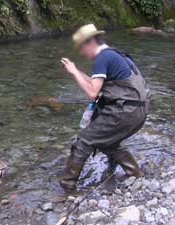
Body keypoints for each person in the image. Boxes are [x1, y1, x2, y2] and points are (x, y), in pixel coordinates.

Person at [60, 24, 149, 190]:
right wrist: (76, 72)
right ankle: (134, 172)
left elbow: (93, 93)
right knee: (107, 141)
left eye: (81, 48)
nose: (81, 53)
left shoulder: (102, 58)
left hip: (124, 112)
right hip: (137, 111)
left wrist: (74, 71)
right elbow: (97, 86)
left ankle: (67, 185)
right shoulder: (115, 55)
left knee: (84, 140)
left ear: (90, 42)